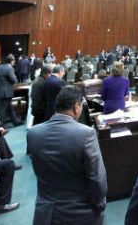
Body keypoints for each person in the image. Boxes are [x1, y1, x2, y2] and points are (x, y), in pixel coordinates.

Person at [28, 85, 108, 224]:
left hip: (45, 212)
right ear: (76, 107)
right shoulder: (86, 134)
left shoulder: (33, 133)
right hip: (80, 213)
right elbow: (97, 178)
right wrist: (100, 204)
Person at [0, 55, 23, 126]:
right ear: (11, 61)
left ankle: (16, 121)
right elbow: (14, 80)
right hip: (6, 92)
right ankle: (0, 124)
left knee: (9, 107)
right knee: (3, 108)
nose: (14, 62)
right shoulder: (10, 68)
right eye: (14, 60)